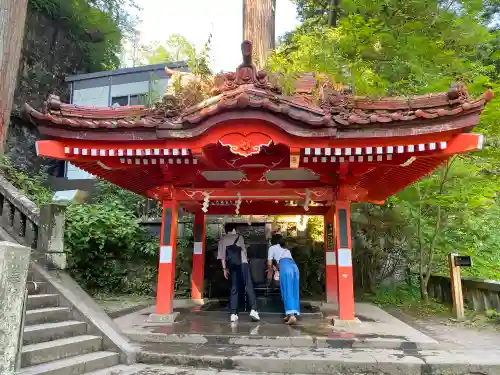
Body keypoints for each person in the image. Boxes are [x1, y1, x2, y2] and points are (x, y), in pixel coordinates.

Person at [217, 223, 260, 323]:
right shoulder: (239, 237)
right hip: (243, 263)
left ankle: (233, 314)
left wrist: (224, 269)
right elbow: (244, 251)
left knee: (234, 287)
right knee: (248, 285)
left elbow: (222, 256)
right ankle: (254, 309)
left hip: (233, 265)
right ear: (233, 229)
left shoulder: (222, 239)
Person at [267, 233, 300, 324]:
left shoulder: (271, 248)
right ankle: (290, 314)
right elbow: (290, 260)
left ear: (272, 241)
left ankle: (292, 316)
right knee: (293, 290)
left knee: (286, 290)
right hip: (294, 268)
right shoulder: (286, 250)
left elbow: (269, 264)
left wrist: (270, 272)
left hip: (285, 268)